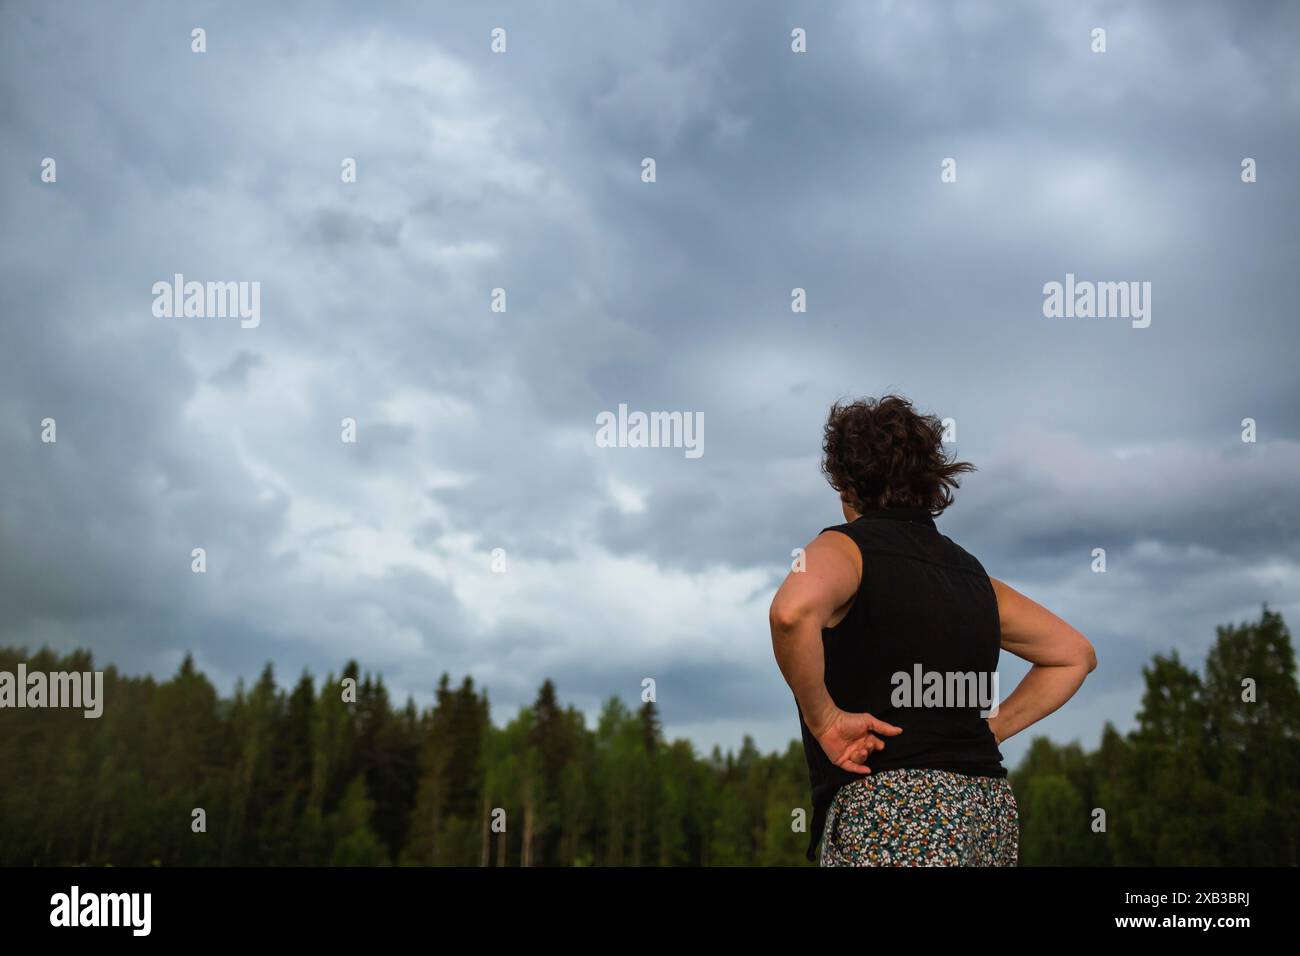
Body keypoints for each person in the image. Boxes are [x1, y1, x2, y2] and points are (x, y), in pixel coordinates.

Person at [769, 395, 1097, 865]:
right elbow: (1074, 654)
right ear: (927, 482)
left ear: (846, 484)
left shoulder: (844, 551)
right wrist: (992, 730)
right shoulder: (972, 575)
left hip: (895, 810)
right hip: (987, 809)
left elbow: (791, 613)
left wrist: (824, 719)